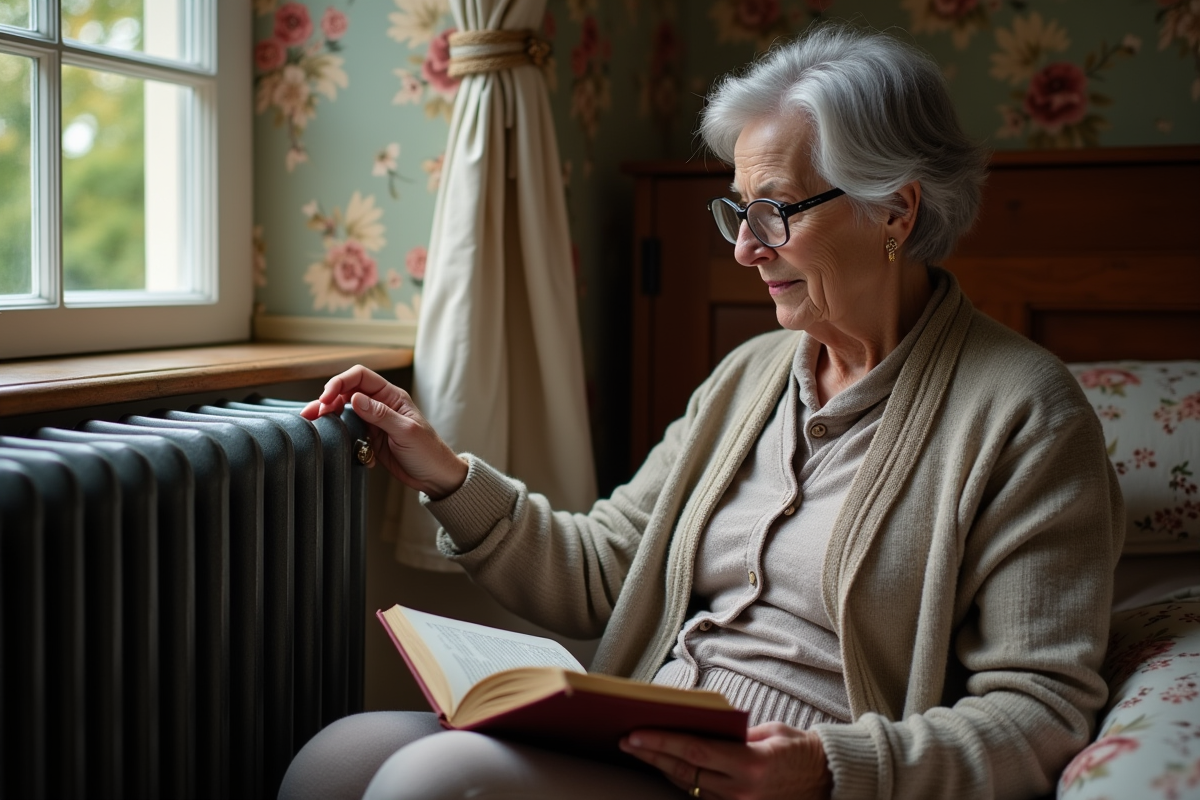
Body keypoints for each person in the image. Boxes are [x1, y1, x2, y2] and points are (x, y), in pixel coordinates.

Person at [280, 22, 1123, 800]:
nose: (744, 248)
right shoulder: (749, 376)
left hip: (780, 781)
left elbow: (1041, 710)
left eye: (774, 213)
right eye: (738, 210)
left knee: (436, 782)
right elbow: (607, 570)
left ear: (894, 210)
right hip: (650, 726)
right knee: (337, 756)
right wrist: (446, 472)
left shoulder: (1026, 415)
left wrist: (828, 768)